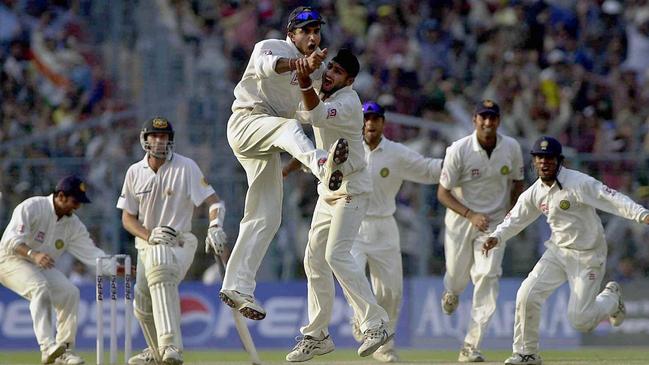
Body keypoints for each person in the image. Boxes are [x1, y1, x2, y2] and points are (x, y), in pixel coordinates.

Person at [220, 6, 352, 321]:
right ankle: (322, 166)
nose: (312, 36)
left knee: (266, 216)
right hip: (246, 122)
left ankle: (237, 285)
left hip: (267, 143)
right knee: (290, 128)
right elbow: (269, 67)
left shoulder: (315, 69)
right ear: (291, 34)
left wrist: (327, 83)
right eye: (305, 30)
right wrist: (300, 64)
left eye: (316, 31)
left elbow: (317, 106)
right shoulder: (271, 46)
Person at [483, 136, 639, 365]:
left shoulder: (578, 183)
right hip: (558, 252)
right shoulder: (535, 193)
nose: (544, 163)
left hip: (588, 255)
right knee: (527, 294)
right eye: (539, 158)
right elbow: (514, 219)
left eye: (549, 158)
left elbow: (611, 198)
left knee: (581, 321)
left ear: (559, 161)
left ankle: (611, 299)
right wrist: (496, 236)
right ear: (534, 162)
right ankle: (527, 353)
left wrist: (641, 214)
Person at [282, 49, 391, 362]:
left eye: (338, 72)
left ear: (350, 81)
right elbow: (304, 113)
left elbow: (314, 115)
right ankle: (317, 335)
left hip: (353, 188)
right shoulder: (321, 89)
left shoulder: (347, 103)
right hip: (328, 187)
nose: (330, 73)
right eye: (330, 67)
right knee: (313, 259)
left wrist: (304, 79)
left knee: (335, 254)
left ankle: (376, 323)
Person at [119, 117, 227, 365]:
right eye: (155, 136)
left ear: (170, 140)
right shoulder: (134, 172)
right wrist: (149, 235)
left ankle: (171, 347)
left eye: (165, 136)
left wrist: (216, 226)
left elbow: (214, 202)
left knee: (160, 263)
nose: (160, 141)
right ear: (145, 140)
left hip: (179, 242)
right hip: (146, 244)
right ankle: (155, 350)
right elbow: (127, 218)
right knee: (141, 302)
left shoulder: (186, 166)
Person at [347, 101, 443, 363]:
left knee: (392, 291)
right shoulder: (348, 148)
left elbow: (428, 169)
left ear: (383, 123)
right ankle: (363, 320)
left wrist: (458, 163)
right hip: (351, 224)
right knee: (352, 275)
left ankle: (385, 346)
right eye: (366, 118)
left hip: (384, 226)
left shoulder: (396, 153)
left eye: (375, 119)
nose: (370, 123)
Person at [437, 100, 525, 362]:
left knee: (488, 277)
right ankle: (451, 292)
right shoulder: (459, 150)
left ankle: (470, 346)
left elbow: (517, 183)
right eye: (483, 117)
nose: (488, 123)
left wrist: (510, 215)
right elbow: (443, 193)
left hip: (495, 224)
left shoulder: (511, 148)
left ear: (498, 120)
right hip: (461, 221)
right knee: (456, 279)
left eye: (493, 118)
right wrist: (470, 215)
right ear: (474, 119)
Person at [0, 175, 114, 365]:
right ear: (61, 196)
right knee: (39, 287)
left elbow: (91, 252)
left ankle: (64, 351)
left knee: (70, 293)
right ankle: (47, 347)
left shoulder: (72, 224)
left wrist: (115, 267)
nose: (77, 207)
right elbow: (12, 241)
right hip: (9, 259)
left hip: (38, 265)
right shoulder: (32, 207)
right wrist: (33, 254)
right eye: (75, 201)